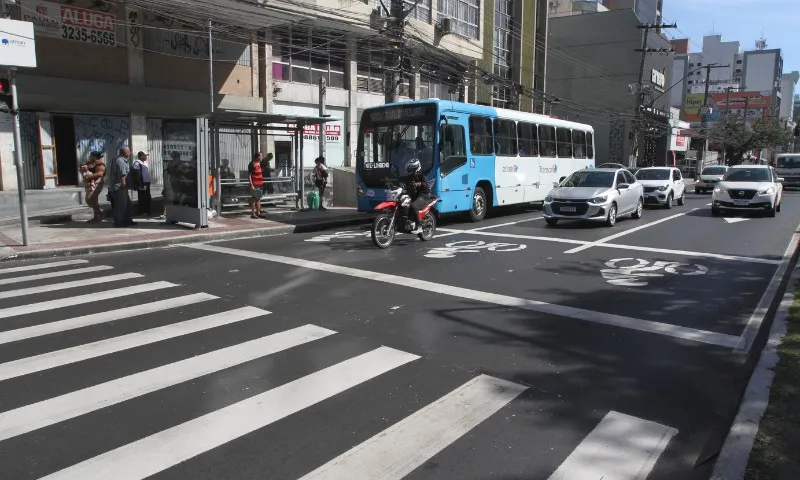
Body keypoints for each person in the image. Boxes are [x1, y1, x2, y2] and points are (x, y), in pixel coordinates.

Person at [106, 146, 135, 227]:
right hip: (120, 187)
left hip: (117, 187)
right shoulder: (121, 161)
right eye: (129, 151)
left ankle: (128, 220)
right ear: (126, 153)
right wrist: (124, 187)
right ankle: (119, 222)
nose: (130, 153)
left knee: (127, 204)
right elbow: (123, 176)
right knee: (121, 205)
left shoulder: (116, 159)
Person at [403, 158, 432, 234]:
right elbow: (401, 179)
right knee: (404, 204)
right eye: (409, 169)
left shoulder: (422, 175)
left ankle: (419, 227)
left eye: (412, 169)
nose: (410, 171)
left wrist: (418, 184)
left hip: (424, 195)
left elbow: (426, 185)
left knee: (413, 206)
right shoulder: (410, 176)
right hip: (414, 195)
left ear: (416, 168)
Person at [81, 151, 106, 222]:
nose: (89, 157)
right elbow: (83, 168)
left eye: (91, 156)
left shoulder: (100, 164)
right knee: (93, 200)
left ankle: (100, 213)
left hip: (97, 184)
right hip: (89, 184)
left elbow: (100, 174)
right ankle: (96, 216)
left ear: (94, 157)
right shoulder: (89, 163)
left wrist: (89, 176)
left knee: (90, 199)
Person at [132, 151, 152, 217]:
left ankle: (147, 211)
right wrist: (140, 183)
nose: (146, 157)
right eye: (145, 155)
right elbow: (136, 174)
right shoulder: (137, 163)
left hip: (146, 183)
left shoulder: (145, 163)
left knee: (147, 197)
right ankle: (142, 211)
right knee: (142, 197)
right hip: (142, 183)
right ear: (141, 156)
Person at [248, 152, 265, 218]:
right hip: (255, 184)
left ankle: (258, 212)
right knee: (254, 198)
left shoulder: (259, 163)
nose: (262, 157)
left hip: (260, 184)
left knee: (258, 198)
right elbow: (249, 175)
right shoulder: (252, 164)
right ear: (257, 157)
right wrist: (251, 185)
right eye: (261, 156)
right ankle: (253, 213)